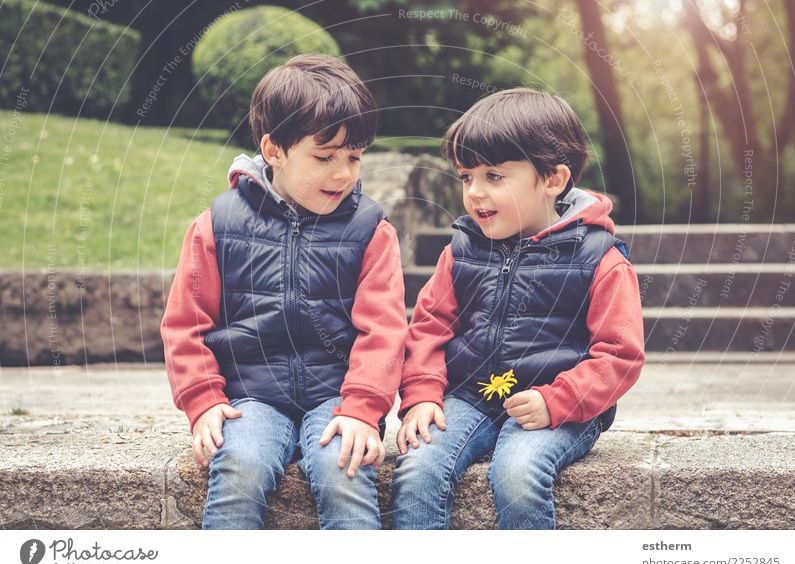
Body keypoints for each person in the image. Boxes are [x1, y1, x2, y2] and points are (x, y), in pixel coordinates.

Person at [161, 54, 407, 530]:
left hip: (340, 398)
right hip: (249, 396)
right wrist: (204, 400)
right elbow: (185, 324)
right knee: (240, 465)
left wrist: (362, 409)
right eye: (324, 157)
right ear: (273, 150)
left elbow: (384, 330)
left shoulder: (370, 230)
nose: (344, 174)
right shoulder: (218, 226)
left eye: (354, 157)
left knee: (345, 467)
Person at [392, 88, 645, 529]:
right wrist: (422, 395)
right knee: (416, 467)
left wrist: (557, 400)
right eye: (466, 176)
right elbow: (429, 325)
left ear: (552, 179)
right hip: (470, 396)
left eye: (494, 176)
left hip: (560, 407)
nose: (474, 192)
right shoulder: (463, 249)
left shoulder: (600, 258)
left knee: (515, 473)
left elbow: (620, 354)